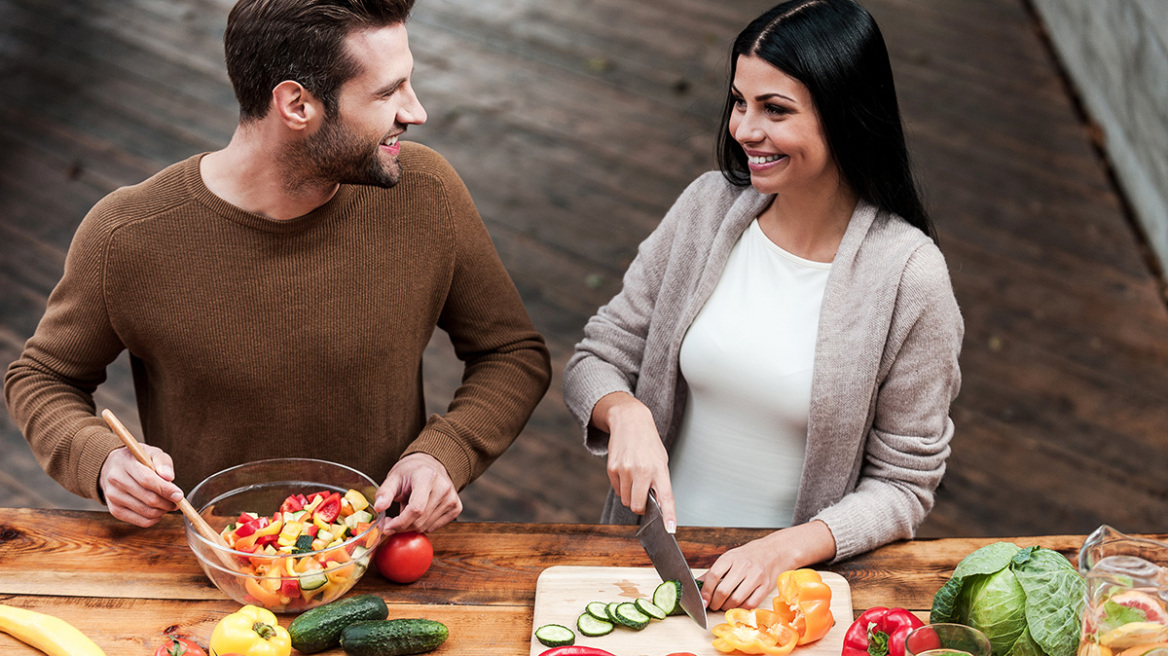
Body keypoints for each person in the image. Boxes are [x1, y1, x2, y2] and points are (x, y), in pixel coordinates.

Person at [4, 0, 551, 535]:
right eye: (387, 92)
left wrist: (443, 455)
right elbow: (42, 378)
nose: (415, 112)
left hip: (381, 557)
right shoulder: (126, 235)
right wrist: (100, 461)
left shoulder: (425, 191)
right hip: (216, 567)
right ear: (296, 105)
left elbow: (511, 354)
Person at [563, 0, 963, 612]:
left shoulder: (911, 277)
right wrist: (625, 414)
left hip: (781, 596)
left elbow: (903, 486)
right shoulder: (706, 207)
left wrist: (781, 552)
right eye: (739, 101)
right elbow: (599, 355)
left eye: (775, 110)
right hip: (644, 566)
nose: (744, 129)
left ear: (846, 115)